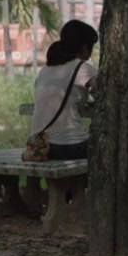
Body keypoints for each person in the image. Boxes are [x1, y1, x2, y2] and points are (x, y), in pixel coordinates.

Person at [31, 20, 98, 160]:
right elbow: (107, 90)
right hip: (70, 145)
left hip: (41, 146)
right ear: (84, 47)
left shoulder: (45, 69)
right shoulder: (82, 68)